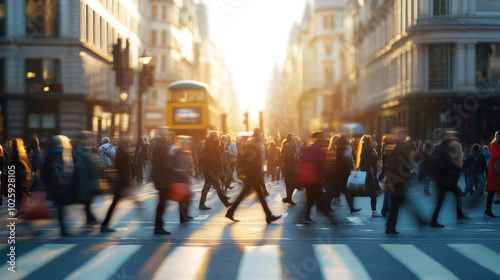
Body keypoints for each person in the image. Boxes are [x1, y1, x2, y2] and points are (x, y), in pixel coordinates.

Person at [225, 137, 281, 223]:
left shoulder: (253, 150)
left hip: (253, 177)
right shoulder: (251, 151)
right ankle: (268, 215)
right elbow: (242, 162)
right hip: (252, 177)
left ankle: (231, 212)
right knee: (255, 196)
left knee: (253, 196)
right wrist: (245, 175)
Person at [385, 128, 425, 234]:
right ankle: (419, 221)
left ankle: (390, 226)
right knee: (400, 204)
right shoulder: (399, 148)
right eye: (403, 135)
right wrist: (408, 173)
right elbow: (399, 164)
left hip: (396, 180)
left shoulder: (397, 147)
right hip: (398, 181)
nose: (404, 137)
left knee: (398, 204)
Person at [429, 131, 466, 227]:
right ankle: (434, 221)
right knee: (441, 201)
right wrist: (458, 169)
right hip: (445, 179)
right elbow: (448, 162)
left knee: (454, 194)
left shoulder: (438, 147)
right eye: (449, 135)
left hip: (442, 179)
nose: (451, 137)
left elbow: (433, 162)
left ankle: (459, 214)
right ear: (445, 137)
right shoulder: (444, 148)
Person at [41, 135, 74, 237]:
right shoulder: (59, 153)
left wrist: (48, 185)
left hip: (53, 185)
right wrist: (60, 184)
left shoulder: (49, 153)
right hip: (59, 186)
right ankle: (63, 230)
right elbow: (60, 170)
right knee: (60, 208)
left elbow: (43, 172)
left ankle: (63, 229)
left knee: (59, 207)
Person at [101, 137, 133, 232]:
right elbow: (124, 169)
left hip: (121, 182)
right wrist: (127, 184)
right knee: (114, 203)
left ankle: (104, 224)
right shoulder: (122, 151)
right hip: (122, 183)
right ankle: (104, 224)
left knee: (114, 203)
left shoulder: (119, 150)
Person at [71, 132, 100, 227]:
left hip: (84, 180)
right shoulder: (79, 152)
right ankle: (91, 219)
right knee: (86, 201)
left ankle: (90, 219)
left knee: (86, 202)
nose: (88, 141)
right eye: (86, 139)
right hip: (84, 180)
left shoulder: (79, 151)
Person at [302, 131, 330, 224]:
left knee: (311, 199)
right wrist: (324, 173)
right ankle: (334, 223)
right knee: (317, 199)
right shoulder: (317, 147)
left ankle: (306, 216)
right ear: (319, 137)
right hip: (315, 177)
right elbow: (319, 162)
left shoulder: (314, 146)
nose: (324, 137)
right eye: (323, 136)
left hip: (313, 177)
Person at [198, 131, 231, 210]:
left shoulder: (213, 144)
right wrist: (215, 172)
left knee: (207, 187)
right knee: (216, 186)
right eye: (217, 136)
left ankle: (202, 204)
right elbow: (212, 160)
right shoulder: (211, 145)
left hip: (211, 170)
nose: (218, 137)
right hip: (211, 171)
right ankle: (226, 202)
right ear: (213, 137)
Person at [151, 128, 174, 235]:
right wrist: (172, 168)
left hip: (162, 177)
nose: (168, 135)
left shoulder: (161, 146)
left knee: (162, 202)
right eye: (166, 133)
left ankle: (159, 226)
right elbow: (163, 163)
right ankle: (158, 226)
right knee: (162, 202)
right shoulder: (160, 147)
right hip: (162, 178)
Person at [356, 135, 383, 217]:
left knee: (373, 191)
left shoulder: (367, 148)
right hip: (370, 173)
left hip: (370, 172)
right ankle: (374, 211)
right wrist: (374, 158)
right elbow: (366, 161)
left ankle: (374, 210)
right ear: (368, 140)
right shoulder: (367, 148)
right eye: (370, 138)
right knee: (373, 192)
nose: (371, 140)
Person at [335, 135, 360, 213]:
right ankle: (352, 207)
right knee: (348, 191)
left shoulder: (338, 149)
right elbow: (348, 161)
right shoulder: (346, 148)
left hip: (339, 172)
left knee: (340, 191)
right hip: (345, 173)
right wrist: (353, 172)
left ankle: (352, 207)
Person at [172, 136, 194, 223]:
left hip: (187, 178)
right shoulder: (177, 152)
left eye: (188, 142)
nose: (187, 143)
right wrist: (181, 172)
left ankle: (186, 214)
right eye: (186, 142)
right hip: (180, 178)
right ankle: (182, 217)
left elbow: (191, 164)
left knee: (188, 196)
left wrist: (191, 170)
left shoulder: (187, 152)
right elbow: (173, 166)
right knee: (182, 199)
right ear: (181, 142)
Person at [9, 139, 32, 215]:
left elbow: (11, 167)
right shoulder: (23, 153)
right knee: (23, 193)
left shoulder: (13, 154)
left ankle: (20, 210)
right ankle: (24, 209)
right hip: (23, 177)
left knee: (18, 194)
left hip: (16, 177)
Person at [485, 130, 500, 218]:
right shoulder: (494, 145)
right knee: (492, 190)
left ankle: (488, 210)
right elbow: (498, 156)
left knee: (492, 190)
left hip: (496, 170)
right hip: (495, 170)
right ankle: (488, 210)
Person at [281, 134, 298, 205]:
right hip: (289, 167)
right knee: (290, 183)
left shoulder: (292, 145)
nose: (294, 138)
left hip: (291, 166)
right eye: (293, 137)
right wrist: (294, 156)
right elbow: (287, 156)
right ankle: (288, 198)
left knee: (291, 183)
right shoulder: (288, 145)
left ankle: (288, 197)